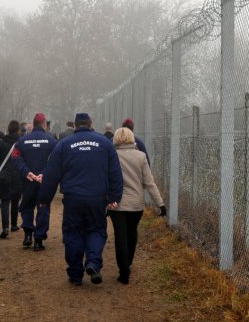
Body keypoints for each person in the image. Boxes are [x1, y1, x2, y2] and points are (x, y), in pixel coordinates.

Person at [39, 112, 123, 286]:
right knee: (96, 230)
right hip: (97, 198)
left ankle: (76, 273)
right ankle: (93, 262)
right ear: (91, 124)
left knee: (73, 233)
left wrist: (45, 198)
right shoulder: (105, 143)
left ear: (75, 126)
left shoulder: (64, 145)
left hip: (73, 198)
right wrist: (114, 197)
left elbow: (52, 173)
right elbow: (115, 172)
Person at [109, 127, 166, 284]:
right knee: (132, 233)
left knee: (120, 236)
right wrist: (160, 203)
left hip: (117, 204)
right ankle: (129, 262)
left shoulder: (111, 155)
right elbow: (149, 182)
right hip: (136, 204)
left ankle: (123, 270)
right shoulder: (141, 157)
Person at [11, 112, 57, 251]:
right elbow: (56, 160)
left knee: (27, 206)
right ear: (44, 124)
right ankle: (39, 240)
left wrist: (27, 172)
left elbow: (15, 158)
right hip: (44, 182)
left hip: (27, 181)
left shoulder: (22, 140)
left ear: (34, 123)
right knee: (43, 208)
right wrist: (43, 174)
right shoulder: (51, 140)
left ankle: (27, 235)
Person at [0, 120, 23, 238]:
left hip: (4, 174)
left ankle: (5, 227)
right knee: (15, 200)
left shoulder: (1, 142)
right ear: (18, 130)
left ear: (8, 129)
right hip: (17, 173)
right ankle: (14, 224)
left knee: (5, 201)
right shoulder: (21, 142)